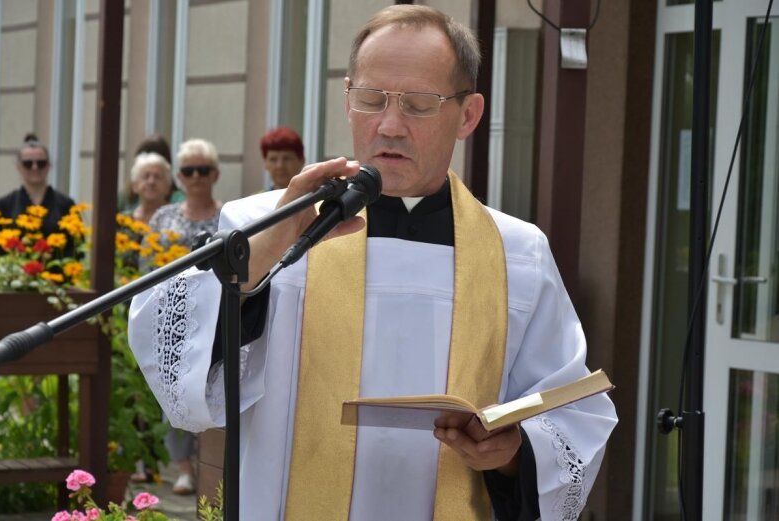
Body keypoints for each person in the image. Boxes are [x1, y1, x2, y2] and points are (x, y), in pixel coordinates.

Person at [128, 5, 617, 519]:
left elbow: (571, 414)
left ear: (468, 115)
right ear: (347, 101)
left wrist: (516, 453)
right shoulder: (264, 223)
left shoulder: (518, 252)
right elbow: (174, 360)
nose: (390, 125)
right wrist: (257, 262)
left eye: (419, 104)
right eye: (370, 99)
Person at [145, 138, 223, 495]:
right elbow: (147, 266)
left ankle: (210, 464)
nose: (195, 177)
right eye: (188, 171)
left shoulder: (228, 215)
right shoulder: (164, 216)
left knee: (212, 387)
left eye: (202, 170)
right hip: (172, 312)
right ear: (178, 176)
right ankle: (182, 468)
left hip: (216, 314)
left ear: (215, 174)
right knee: (174, 388)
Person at [0, 133, 75, 237]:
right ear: (18, 167)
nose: (35, 168)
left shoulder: (66, 205)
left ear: (49, 165)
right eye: (28, 164)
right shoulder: (4, 205)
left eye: (41, 163)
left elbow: (76, 246)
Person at [127, 152, 173, 224]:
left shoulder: (176, 221)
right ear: (135, 186)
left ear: (168, 187)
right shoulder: (124, 221)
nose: (151, 182)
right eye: (146, 176)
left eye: (157, 177)